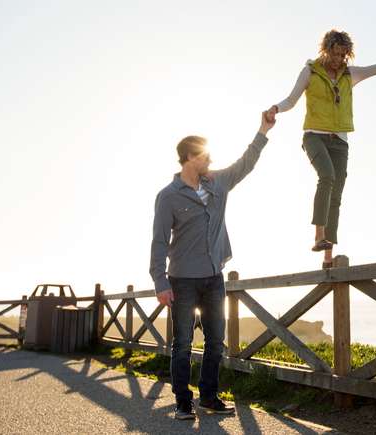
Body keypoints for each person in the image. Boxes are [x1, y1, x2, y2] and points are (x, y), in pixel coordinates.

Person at [149, 111, 275, 420]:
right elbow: (159, 241)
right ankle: (182, 401)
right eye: (204, 155)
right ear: (190, 157)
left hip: (214, 278)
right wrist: (160, 282)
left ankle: (208, 396)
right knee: (182, 345)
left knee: (216, 342)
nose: (210, 160)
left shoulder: (218, 184)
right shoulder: (168, 197)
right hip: (181, 280)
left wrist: (263, 130)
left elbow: (246, 163)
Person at [266, 29, 376, 267]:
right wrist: (275, 109)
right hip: (314, 136)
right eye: (335, 54)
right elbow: (291, 100)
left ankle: (327, 257)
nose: (338, 60)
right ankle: (318, 235)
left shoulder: (350, 75)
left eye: (343, 55)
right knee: (327, 176)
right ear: (326, 50)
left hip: (340, 142)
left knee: (337, 194)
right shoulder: (310, 72)